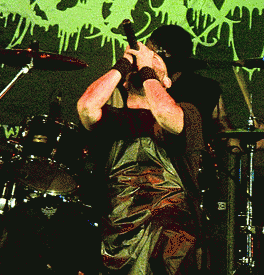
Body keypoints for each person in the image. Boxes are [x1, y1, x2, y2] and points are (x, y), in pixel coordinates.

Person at [77, 35, 205, 275]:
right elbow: (86, 106)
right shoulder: (112, 119)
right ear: (125, 83)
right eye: (143, 61)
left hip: (168, 238)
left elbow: (166, 115)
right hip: (116, 236)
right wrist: (124, 63)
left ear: (166, 82)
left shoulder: (186, 113)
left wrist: (147, 69)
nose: (146, 60)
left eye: (156, 59)